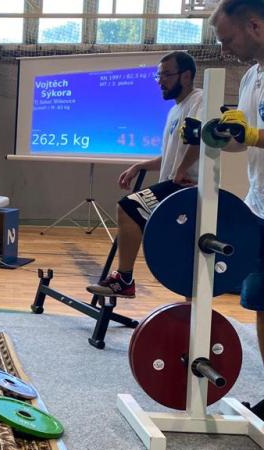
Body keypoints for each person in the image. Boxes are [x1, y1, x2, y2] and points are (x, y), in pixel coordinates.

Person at [86, 51, 203, 298]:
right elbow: (171, 157)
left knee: (128, 208)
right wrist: (140, 166)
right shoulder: (175, 110)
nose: (161, 81)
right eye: (158, 76)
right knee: (184, 253)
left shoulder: (199, 100)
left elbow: (199, 139)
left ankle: (124, 280)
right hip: (175, 183)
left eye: (167, 75)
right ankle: (191, 310)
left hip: (188, 187)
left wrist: (182, 170)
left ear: (186, 76)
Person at [209, 0, 264, 418]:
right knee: (261, 303)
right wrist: (215, 134)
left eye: (228, 40)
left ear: (255, 26)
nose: (225, 50)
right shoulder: (250, 77)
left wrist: (254, 135)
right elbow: (240, 140)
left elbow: (255, 135)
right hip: (258, 206)